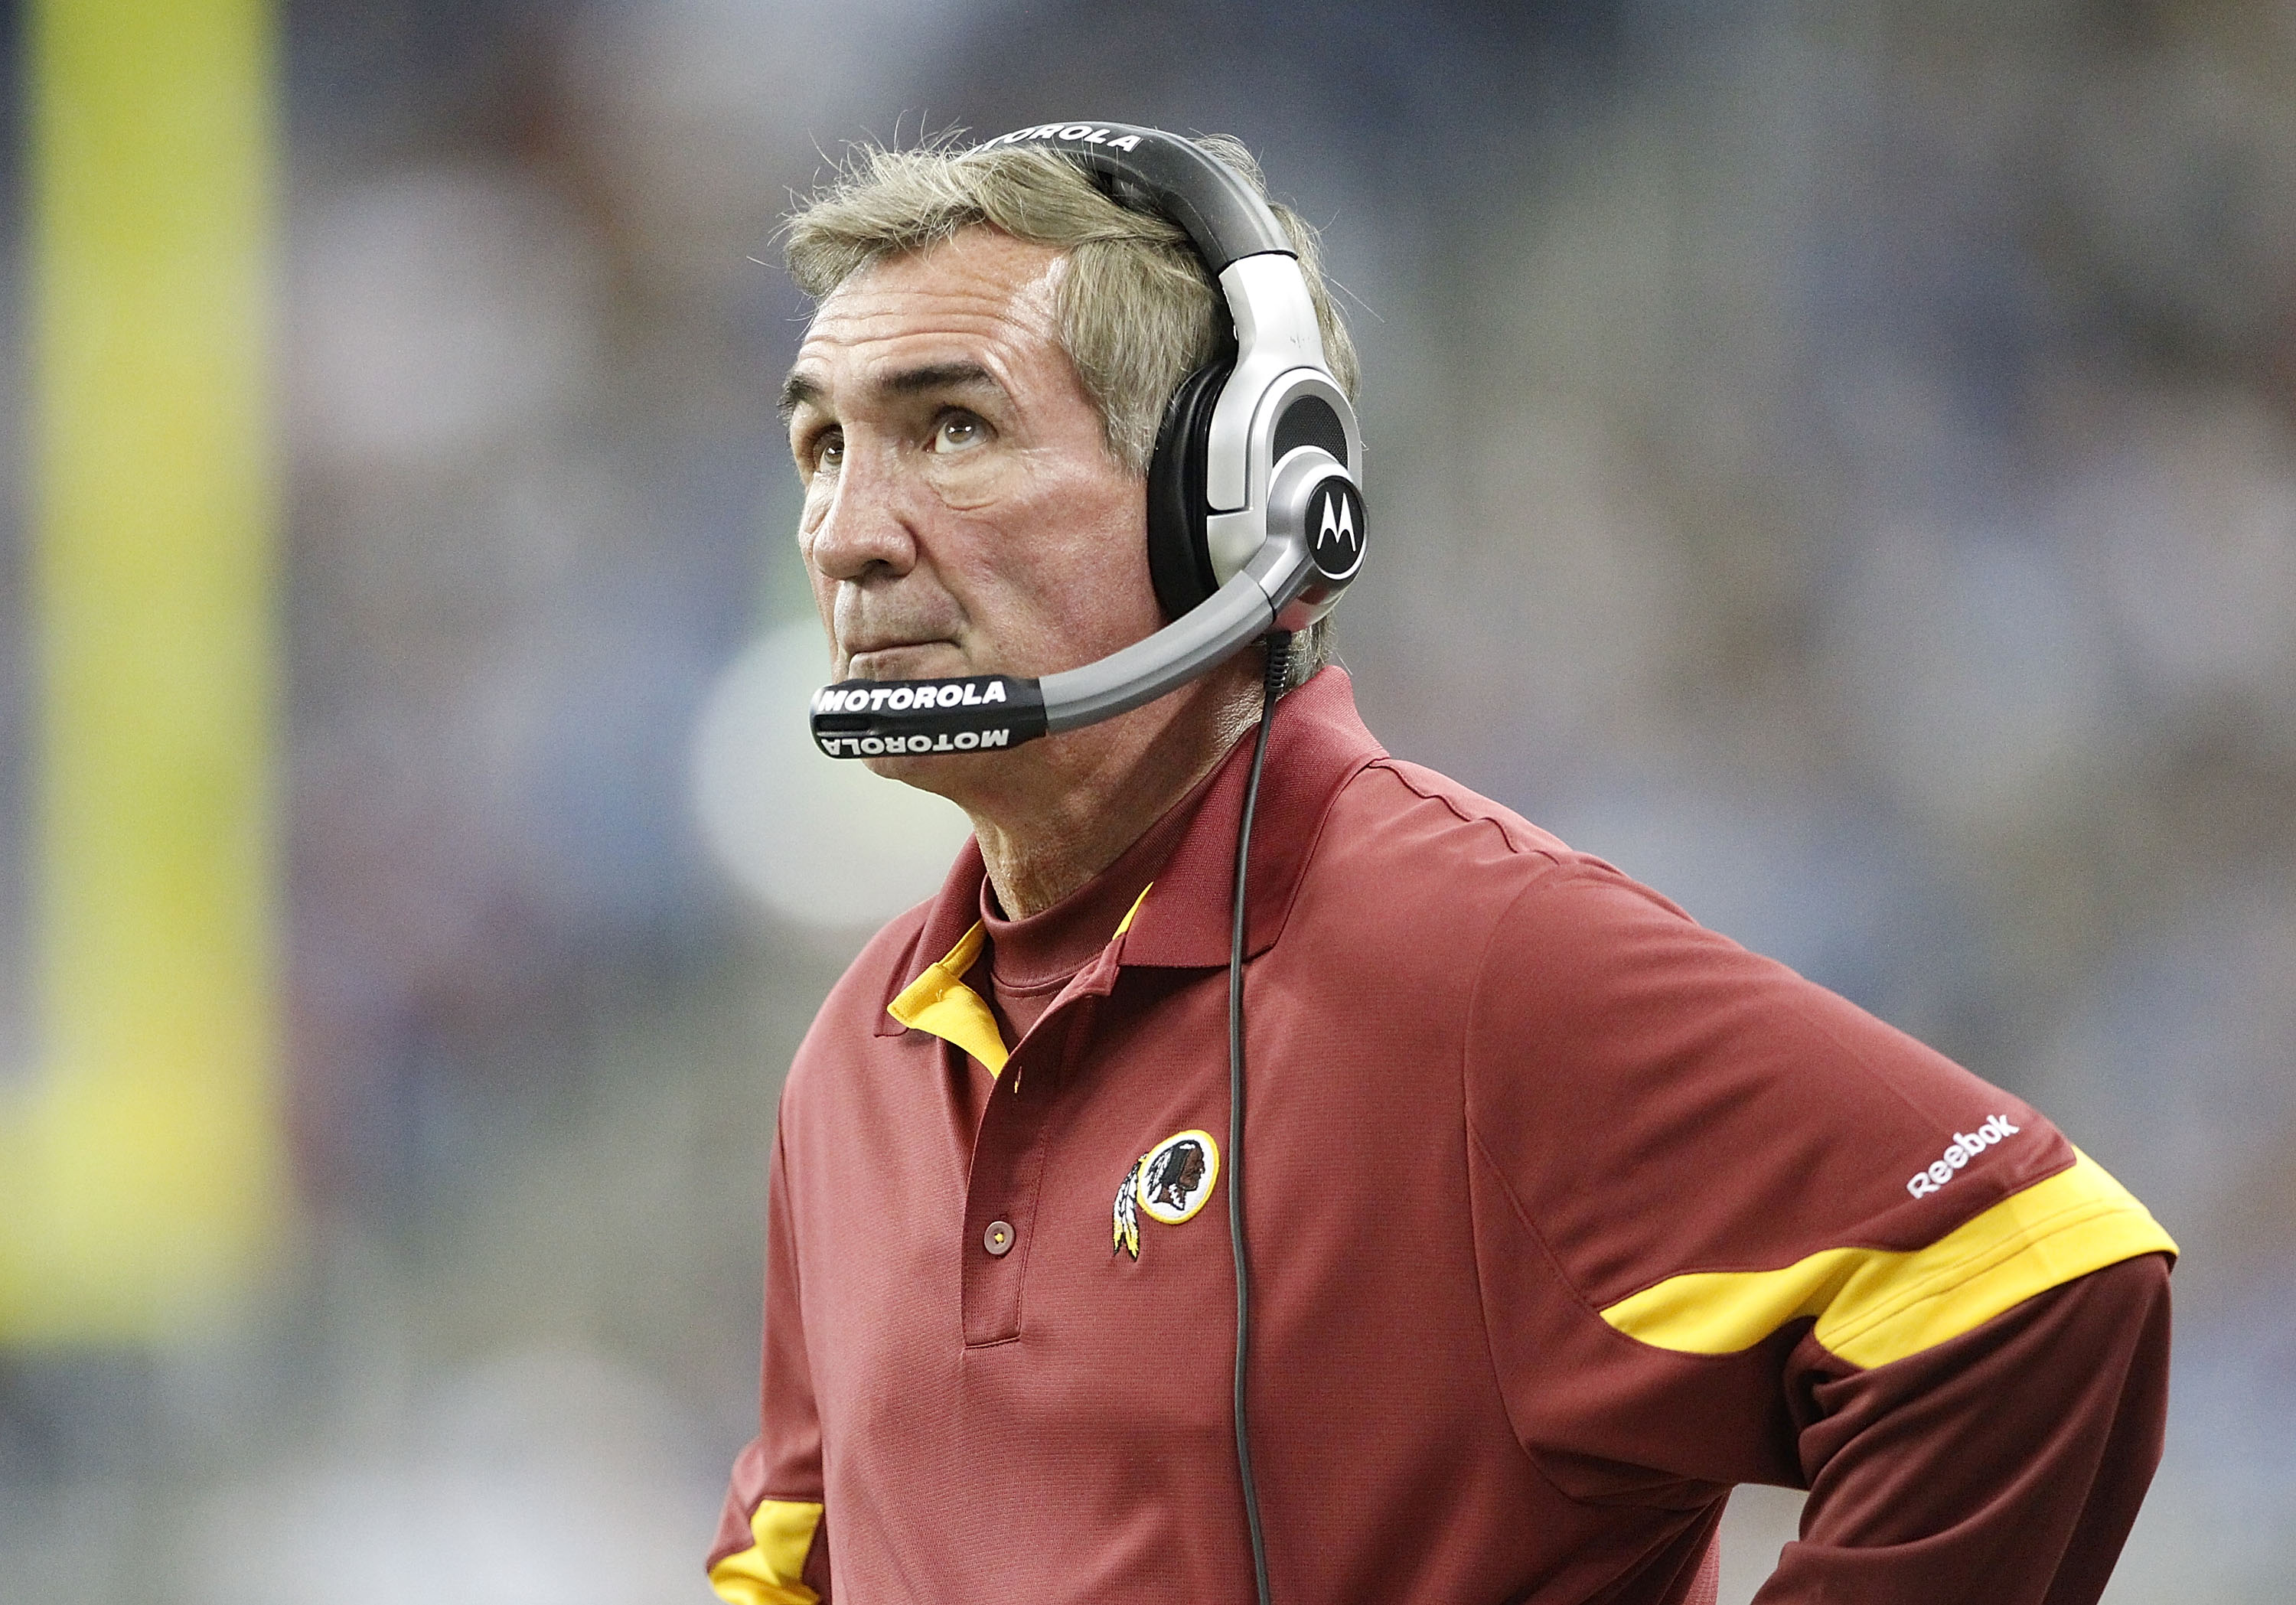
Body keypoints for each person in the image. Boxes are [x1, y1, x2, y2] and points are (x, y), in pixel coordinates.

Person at [708, 129, 2176, 1605]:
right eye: (825, 445)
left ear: (1237, 494)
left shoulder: (1477, 962)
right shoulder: (857, 1052)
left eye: (952, 427)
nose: (845, 537)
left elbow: (2033, 1279)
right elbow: (790, 1560)